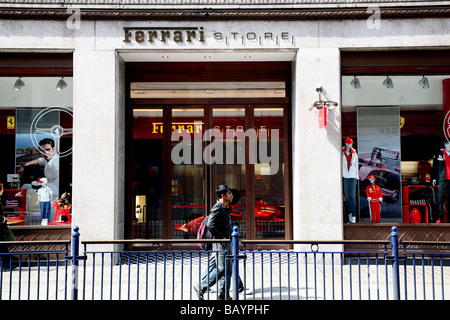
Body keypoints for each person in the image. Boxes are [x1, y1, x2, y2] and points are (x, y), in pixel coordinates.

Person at [195, 185, 233, 300]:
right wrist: (221, 238)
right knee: (221, 269)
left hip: (226, 241)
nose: (232, 195)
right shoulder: (218, 207)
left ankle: (223, 295)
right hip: (220, 243)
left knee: (228, 270)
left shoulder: (225, 207)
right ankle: (201, 287)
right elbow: (210, 225)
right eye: (229, 193)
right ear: (223, 195)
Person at [431, 140, 450, 223]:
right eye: (447, 144)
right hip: (442, 179)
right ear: (445, 145)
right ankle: (439, 217)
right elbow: (435, 167)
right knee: (440, 197)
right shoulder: (440, 154)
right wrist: (434, 178)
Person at [342, 137, 358, 223]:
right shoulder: (341, 152)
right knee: (347, 196)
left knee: (352, 196)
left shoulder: (354, 153)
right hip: (345, 175)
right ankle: (349, 214)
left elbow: (356, 166)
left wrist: (357, 178)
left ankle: (354, 214)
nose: (351, 144)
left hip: (352, 176)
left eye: (351, 143)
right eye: (349, 143)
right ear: (346, 143)